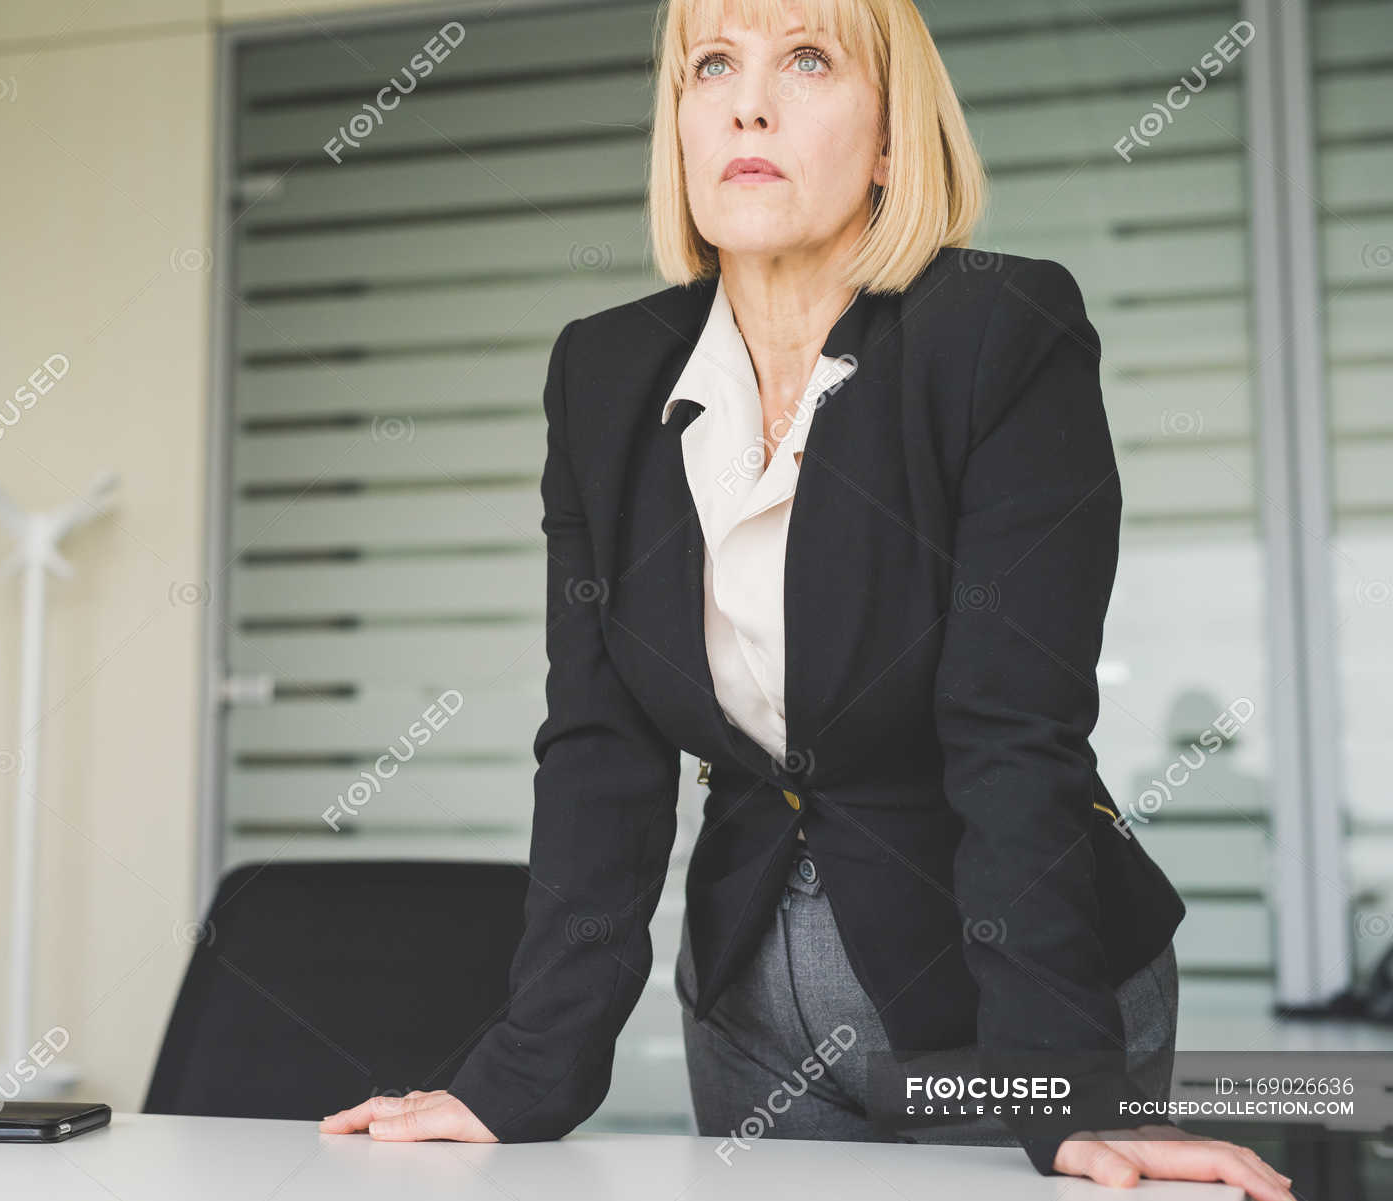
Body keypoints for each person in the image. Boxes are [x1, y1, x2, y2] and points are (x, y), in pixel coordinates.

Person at [322, 1, 1295, 1196]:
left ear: (894, 139)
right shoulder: (604, 373)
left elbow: (1014, 733)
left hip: (1006, 995)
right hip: (747, 993)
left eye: (809, 59)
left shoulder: (997, 331)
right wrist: (521, 1072)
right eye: (712, 65)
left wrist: (1060, 1081)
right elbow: (596, 750)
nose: (749, 101)